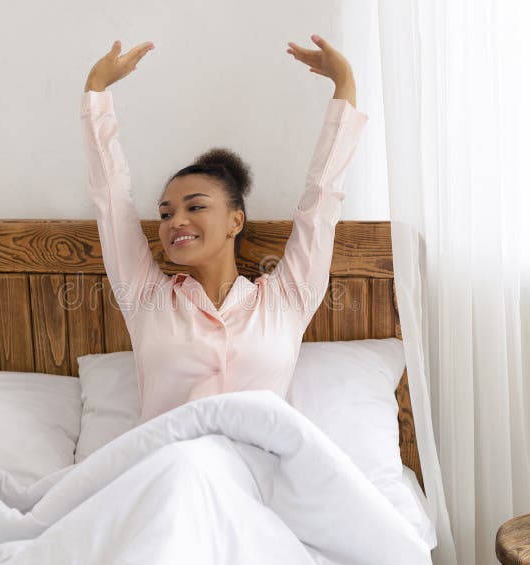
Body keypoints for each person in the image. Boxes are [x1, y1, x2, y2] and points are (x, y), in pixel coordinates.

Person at [80, 35, 368, 424]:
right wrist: (96, 92)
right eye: (165, 214)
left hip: (253, 473)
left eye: (195, 206)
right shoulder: (146, 298)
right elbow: (110, 199)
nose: (175, 221)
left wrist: (345, 85)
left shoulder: (286, 301)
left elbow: (323, 199)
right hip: (169, 467)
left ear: (236, 220)